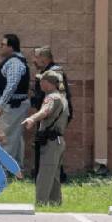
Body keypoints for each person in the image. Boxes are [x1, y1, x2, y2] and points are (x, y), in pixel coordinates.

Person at [22, 71, 70, 205]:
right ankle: (55, 203)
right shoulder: (62, 97)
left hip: (51, 141)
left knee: (44, 173)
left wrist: (32, 118)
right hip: (58, 141)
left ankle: (40, 202)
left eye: (41, 81)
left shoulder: (52, 98)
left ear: (48, 83)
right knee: (53, 174)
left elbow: (45, 111)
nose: (39, 83)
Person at [0, 34, 30, 169]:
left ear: (11, 47)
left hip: (11, 105)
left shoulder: (15, 62)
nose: (1, 47)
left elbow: (12, 84)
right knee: (15, 136)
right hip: (13, 105)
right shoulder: (12, 61)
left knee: (6, 137)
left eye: (3, 44)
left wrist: (1, 103)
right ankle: (16, 167)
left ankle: (4, 169)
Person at [31, 47, 73, 181]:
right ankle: (43, 173)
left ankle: (55, 175)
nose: (34, 60)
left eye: (36, 57)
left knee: (50, 142)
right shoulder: (46, 71)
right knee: (44, 142)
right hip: (48, 111)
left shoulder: (55, 71)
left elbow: (57, 92)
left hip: (55, 113)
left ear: (44, 58)